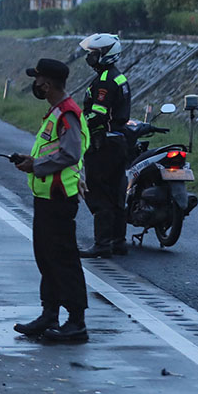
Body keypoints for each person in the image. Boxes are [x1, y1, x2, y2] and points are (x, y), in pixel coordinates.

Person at [12, 58, 91, 342]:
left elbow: (71, 154)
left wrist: (36, 166)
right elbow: (54, 151)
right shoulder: (56, 112)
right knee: (46, 258)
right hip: (45, 198)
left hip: (59, 199)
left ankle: (76, 322)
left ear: (45, 84)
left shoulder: (67, 113)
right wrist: (32, 161)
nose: (34, 84)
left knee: (63, 260)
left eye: (37, 80)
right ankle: (50, 314)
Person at [77, 34, 132, 258]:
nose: (90, 58)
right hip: (119, 141)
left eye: (93, 54)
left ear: (105, 55)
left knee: (99, 193)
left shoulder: (105, 82)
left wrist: (77, 122)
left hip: (104, 143)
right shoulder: (118, 77)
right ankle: (118, 242)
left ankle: (102, 244)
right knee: (117, 193)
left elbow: (98, 115)